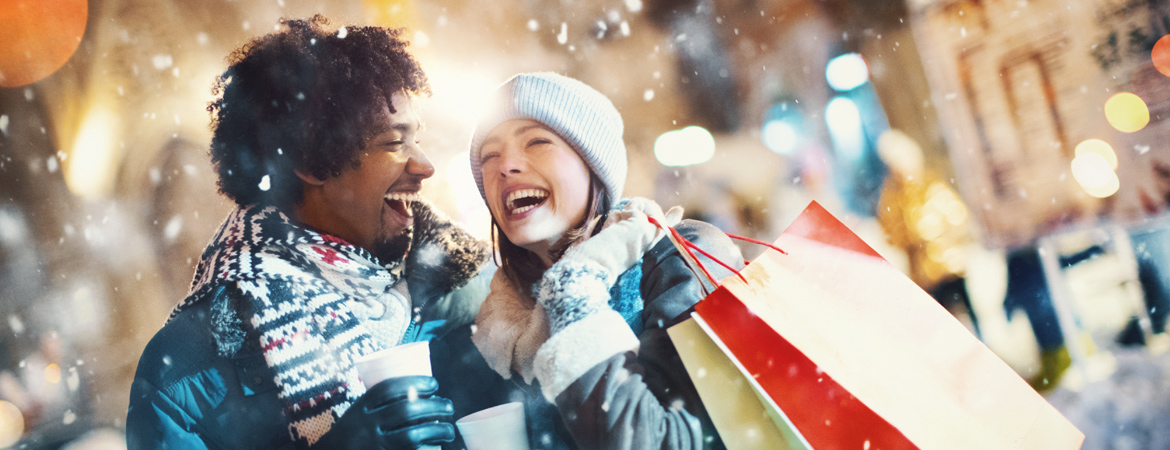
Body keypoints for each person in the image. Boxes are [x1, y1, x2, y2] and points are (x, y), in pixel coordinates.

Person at [125, 16, 492, 449]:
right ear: (314, 161)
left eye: (416, 138)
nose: (425, 165)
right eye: (395, 143)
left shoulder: (466, 292)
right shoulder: (185, 371)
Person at [444, 72, 741, 449]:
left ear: (593, 166)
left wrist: (573, 295)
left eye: (537, 141)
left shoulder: (681, 258)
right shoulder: (493, 326)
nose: (506, 166)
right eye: (490, 155)